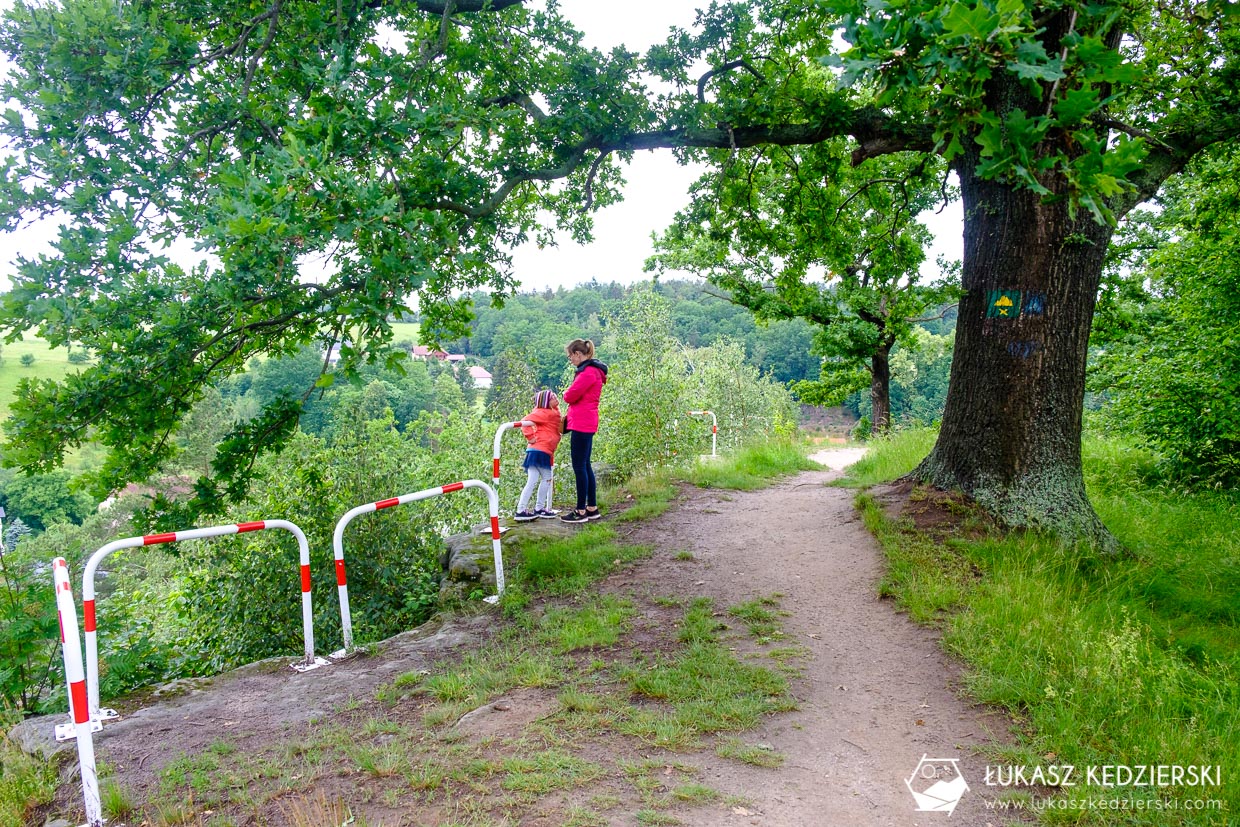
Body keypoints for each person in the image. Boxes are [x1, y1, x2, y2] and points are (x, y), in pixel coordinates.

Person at [560, 338, 608, 523]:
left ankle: (580, 511)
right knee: (585, 465)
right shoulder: (594, 371)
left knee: (579, 466)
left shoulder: (587, 373)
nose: (570, 359)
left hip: (581, 422)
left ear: (578, 354)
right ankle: (591, 507)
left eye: (570, 356)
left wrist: (566, 393)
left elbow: (570, 395)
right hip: (587, 422)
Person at [513, 389, 563, 521]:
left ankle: (521, 509)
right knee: (546, 477)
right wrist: (530, 437)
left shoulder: (552, 412)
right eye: (552, 397)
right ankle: (539, 508)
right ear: (546, 402)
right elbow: (525, 421)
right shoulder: (544, 413)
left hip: (537, 450)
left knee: (532, 480)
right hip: (540, 449)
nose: (556, 398)